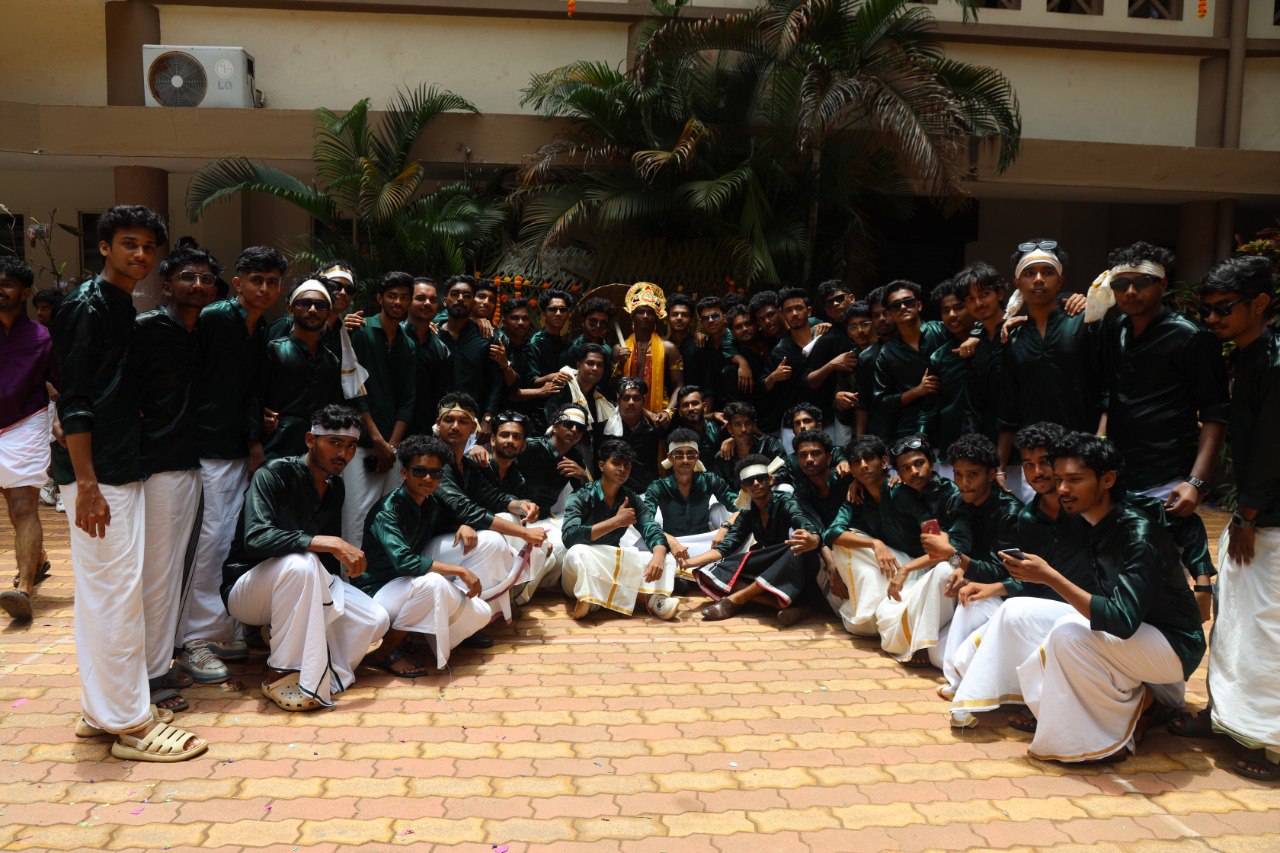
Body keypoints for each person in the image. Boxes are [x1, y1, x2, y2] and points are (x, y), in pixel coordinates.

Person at [51, 204, 206, 761]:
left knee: (110, 595)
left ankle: (103, 709)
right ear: (105, 247)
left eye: (148, 247)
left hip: (122, 468)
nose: (139, 254)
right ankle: (131, 725)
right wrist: (87, 484)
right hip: (100, 479)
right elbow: (73, 400)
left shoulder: (120, 305)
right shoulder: (85, 307)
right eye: (128, 244)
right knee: (115, 596)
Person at [1006, 432, 1205, 764]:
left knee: (1068, 634)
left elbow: (1121, 622)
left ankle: (1106, 741)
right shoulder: (1087, 520)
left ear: (1107, 480)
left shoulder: (1138, 534)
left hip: (1173, 647)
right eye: (1059, 479)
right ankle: (1139, 704)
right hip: (1138, 639)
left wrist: (1050, 577)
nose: (1062, 489)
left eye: (1074, 479)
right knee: (1033, 615)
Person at [221, 404, 390, 712]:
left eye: (351, 446)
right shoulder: (273, 473)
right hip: (247, 591)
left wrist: (338, 569)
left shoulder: (335, 486)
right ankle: (279, 674)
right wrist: (326, 542)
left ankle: (324, 672)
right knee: (302, 562)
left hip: (300, 583)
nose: (343, 454)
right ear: (311, 440)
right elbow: (256, 538)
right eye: (335, 443)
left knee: (375, 619)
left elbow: (326, 563)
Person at [1188, 255, 1280, 781]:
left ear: (1260, 303)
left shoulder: (1275, 361)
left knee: (1267, 630)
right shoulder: (1247, 356)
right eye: (1206, 310)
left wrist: (1246, 517)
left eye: (1223, 308)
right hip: (1254, 515)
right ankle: (1227, 718)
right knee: (1234, 623)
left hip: (1268, 520)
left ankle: (1273, 744)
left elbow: (1272, 447)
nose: (1212, 319)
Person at [1095, 243, 1229, 606]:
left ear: (1163, 284)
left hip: (1168, 477)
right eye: (1121, 284)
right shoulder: (1118, 328)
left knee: (1165, 581)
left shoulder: (1190, 336)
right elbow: (1111, 396)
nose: (1130, 291)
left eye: (1142, 282)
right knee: (1123, 575)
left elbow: (1216, 413)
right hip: (1122, 474)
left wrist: (1196, 482)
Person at [945, 421, 1097, 728]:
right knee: (967, 648)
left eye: (1045, 462)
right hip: (1043, 609)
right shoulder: (1029, 517)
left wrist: (956, 558)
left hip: (1093, 613)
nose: (1037, 472)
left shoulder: (1088, 509)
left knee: (1012, 612)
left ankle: (1026, 704)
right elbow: (1025, 577)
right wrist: (995, 587)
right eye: (1028, 464)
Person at [180, 245, 284, 683]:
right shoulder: (215, 317)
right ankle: (194, 639)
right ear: (238, 283)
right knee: (207, 542)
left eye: (272, 282)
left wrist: (257, 431)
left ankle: (224, 630)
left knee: (229, 539)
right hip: (207, 447)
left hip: (240, 448)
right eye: (256, 280)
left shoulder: (261, 328)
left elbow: (250, 388)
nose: (264, 289)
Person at [130, 246, 218, 711]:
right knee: (156, 573)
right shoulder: (146, 328)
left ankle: (159, 661)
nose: (198, 285)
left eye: (206, 278)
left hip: (189, 461)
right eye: (188, 277)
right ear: (167, 286)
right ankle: (146, 676)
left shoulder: (201, 332)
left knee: (176, 571)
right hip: (156, 466)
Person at [355, 434, 493, 676]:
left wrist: (461, 525)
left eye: (435, 473)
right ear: (404, 473)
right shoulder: (386, 511)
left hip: (406, 584)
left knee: (483, 613)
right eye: (420, 471)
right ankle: (385, 652)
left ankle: (415, 632)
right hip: (376, 591)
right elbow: (404, 561)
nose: (428, 478)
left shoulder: (430, 503)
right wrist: (460, 570)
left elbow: (447, 523)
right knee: (433, 584)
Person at [997, 240, 1103, 500]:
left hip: (1082, 451)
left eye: (1047, 272)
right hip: (1034, 460)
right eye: (1029, 273)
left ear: (1060, 281)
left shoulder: (1086, 321)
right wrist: (1000, 466)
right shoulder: (1014, 336)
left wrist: (1099, 444)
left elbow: (1107, 387)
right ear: (1018, 283)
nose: (1038, 279)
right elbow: (1008, 406)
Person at [432, 393, 547, 630]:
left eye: (463, 421)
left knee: (512, 529)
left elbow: (493, 496)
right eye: (449, 420)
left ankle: (479, 613)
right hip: (424, 548)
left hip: (450, 541)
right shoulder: (434, 460)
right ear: (438, 424)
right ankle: (465, 618)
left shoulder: (465, 465)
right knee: (493, 542)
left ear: (473, 428)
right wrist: (524, 533)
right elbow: (466, 509)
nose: (455, 426)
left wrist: (521, 505)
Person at [927, 433, 1024, 696]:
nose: (964, 483)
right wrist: (958, 564)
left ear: (992, 474)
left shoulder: (1010, 513)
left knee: (971, 601)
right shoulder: (959, 501)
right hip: (971, 592)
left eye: (973, 475)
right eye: (958, 475)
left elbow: (1000, 572)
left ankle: (958, 686)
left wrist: (954, 558)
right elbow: (959, 548)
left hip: (1003, 600)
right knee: (937, 654)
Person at [685, 454, 821, 625]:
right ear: (744, 487)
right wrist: (688, 563)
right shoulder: (747, 511)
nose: (756, 483)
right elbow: (726, 546)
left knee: (796, 547)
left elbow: (804, 522)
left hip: (792, 564)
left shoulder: (785, 501)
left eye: (761, 478)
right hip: (769, 563)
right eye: (750, 481)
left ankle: (737, 599)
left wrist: (813, 539)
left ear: (770, 480)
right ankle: (782, 604)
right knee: (706, 572)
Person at [874, 434, 972, 668]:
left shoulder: (951, 494)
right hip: (928, 566)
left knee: (945, 569)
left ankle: (924, 643)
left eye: (919, 463)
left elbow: (948, 552)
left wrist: (906, 568)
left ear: (932, 462)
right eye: (905, 468)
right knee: (885, 612)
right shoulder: (905, 490)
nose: (914, 472)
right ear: (898, 473)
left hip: (963, 565)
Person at [560, 439, 678, 620]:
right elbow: (569, 537)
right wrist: (615, 522)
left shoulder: (631, 499)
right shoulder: (580, 496)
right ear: (601, 466)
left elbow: (650, 527)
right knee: (578, 552)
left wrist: (659, 554)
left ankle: (597, 599)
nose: (622, 469)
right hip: (580, 569)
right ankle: (649, 600)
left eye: (627, 465)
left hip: (611, 561)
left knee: (667, 558)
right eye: (616, 463)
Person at [342, 271, 416, 549]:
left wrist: (391, 447)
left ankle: (378, 573)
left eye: (404, 297)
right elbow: (354, 389)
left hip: (391, 449)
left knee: (387, 520)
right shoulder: (360, 331)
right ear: (379, 298)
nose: (398, 302)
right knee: (356, 516)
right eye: (392, 296)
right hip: (361, 444)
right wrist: (376, 440)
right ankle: (350, 574)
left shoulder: (408, 343)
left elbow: (408, 399)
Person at [0, 257, 55, 621]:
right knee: (11, 502)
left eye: (7, 284)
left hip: (26, 422)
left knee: (23, 506)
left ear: (24, 292)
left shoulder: (40, 336)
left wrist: (64, 420)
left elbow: (58, 381)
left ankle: (24, 589)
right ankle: (38, 559)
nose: (0, 290)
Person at [820, 436, 914, 636]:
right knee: (844, 542)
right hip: (886, 566)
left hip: (914, 567)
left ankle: (865, 614)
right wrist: (874, 543)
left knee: (851, 543)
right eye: (856, 462)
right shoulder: (856, 496)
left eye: (869, 459)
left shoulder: (900, 489)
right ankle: (868, 613)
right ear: (852, 471)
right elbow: (832, 533)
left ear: (884, 462)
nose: (863, 466)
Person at [509, 403, 592, 603]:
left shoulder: (575, 457)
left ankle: (530, 590)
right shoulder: (530, 446)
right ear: (555, 426)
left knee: (573, 541)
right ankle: (516, 594)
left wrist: (583, 477)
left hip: (546, 518)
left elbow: (588, 498)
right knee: (548, 549)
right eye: (569, 424)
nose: (574, 430)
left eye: (580, 428)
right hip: (516, 515)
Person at [260, 280, 346, 460]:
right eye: (305, 303)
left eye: (320, 305)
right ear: (291, 310)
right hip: (274, 451)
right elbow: (253, 398)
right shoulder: (273, 351)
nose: (313, 310)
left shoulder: (331, 361)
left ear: (328, 313)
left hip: (316, 455)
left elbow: (332, 411)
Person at [644, 428, 740, 579]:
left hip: (707, 542)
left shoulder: (710, 480)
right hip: (673, 546)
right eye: (679, 455)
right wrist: (670, 540)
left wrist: (725, 527)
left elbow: (742, 507)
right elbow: (645, 521)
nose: (685, 460)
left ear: (697, 456)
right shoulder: (658, 486)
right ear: (669, 457)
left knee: (727, 517)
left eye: (690, 454)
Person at [872, 280, 951, 441]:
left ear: (919, 305)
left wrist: (974, 337)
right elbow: (882, 402)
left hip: (951, 418)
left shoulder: (942, 330)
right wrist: (917, 391)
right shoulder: (887, 353)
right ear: (890, 314)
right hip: (911, 428)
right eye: (896, 305)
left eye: (908, 302)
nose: (903, 307)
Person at [438, 276, 503, 444]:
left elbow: (495, 383)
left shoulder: (486, 337)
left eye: (467, 296)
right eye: (455, 294)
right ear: (444, 300)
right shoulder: (432, 334)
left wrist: (487, 418)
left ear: (473, 302)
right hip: (434, 419)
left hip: (472, 423)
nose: (460, 299)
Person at [921, 279, 974, 474]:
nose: (952, 315)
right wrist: (921, 436)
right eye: (945, 311)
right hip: (951, 449)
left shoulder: (994, 341)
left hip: (995, 447)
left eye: (958, 308)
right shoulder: (939, 357)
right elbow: (930, 406)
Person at [954, 263, 1008, 442]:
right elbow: (972, 406)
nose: (978, 303)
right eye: (970, 299)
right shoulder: (975, 347)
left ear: (999, 294)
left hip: (1028, 442)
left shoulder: (1020, 333)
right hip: (988, 441)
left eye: (984, 294)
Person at [497, 297, 565, 433]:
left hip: (525, 415)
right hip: (501, 417)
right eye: (515, 318)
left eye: (525, 318)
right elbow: (505, 394)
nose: (521, 322)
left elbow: (528, 381)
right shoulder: (499, 346)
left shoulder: (526, 347)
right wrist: (541, 391)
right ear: (504, 322)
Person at [619, 282, 682, 417]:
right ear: (632, 316)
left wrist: (668, 412)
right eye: (640, 311)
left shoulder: (669, 349)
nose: (645, 316)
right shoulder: (619, 349)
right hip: (626, 415)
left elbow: (679, 385)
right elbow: (612, 388)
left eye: (650, 312)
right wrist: (619, 363)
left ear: (656, 318)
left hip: (658, 414)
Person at [267, 260, 357, 353]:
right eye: (336, 286)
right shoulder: (288, 323)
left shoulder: (345, 329)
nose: (343, 293)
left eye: (349, 289)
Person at [718, 307, 781, 435]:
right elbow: (736, 407)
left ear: (756, 324)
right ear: (732, 332)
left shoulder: (771, 342)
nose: (745, 329)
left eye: (748, 323)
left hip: (786, 418)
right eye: (738, 327)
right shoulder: (733, 369)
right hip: (761, 429)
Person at [404, 277, 455, 436]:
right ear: (408, 301)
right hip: (386, 427)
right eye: (420, 298)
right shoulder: (392, 336)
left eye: (433, 300)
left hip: (423, 432)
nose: (427, 303)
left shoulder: (442, 350)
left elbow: (441, 398)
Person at [769, 288, 819, 452]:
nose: (794, 314)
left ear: (809, 311)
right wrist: (773, 377)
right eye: (789, 310)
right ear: (782, 314)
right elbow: (766, 389)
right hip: (794, 423)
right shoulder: (779, 351)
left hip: (827, 417)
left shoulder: (824, 339)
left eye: (799, 308)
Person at [543, 343, 616, 447]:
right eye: (590, 363)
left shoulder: (598, 396)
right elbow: (552, 427)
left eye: (600, 365)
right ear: (578, 366)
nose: (595, 368)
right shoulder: (561, 387)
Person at [855, 286, 899, 443]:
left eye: (886, 313)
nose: (881, 319)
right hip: (882, 432)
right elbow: (863, 403)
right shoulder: (867, 357)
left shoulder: (915, 344)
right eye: (876, 315)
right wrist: (859, 441)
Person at [711, 401, 786, 491]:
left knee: (785, 488)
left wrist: (769, 479)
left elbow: (784, 470)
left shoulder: (770, 444)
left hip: (769, 492)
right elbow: (722, 488)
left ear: (754, 425)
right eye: (738, 424)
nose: (743, 429)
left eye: (748, 423)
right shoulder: (722, 457)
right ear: (730, 428)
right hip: (739, 497)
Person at [607, 377, 663, 492]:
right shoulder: (607, 428)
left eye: (636, 398)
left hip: (648, 492)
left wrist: (667, 412)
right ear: (618, 401)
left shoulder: (654, 426)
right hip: (615, 492)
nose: (631, 402)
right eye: (626, 398)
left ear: (643, 401)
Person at [789, 429, 852, 530]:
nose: (809, 459)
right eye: (803, 455)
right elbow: (816, 530)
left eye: (815, 453)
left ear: (828, 457)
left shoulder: (846, 479)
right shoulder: (801, 494)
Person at [668, 386, 722, 463]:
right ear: (680, 412)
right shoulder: (677, 438)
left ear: (704, 407)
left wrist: (732, 440)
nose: (691, 408)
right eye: (685, 405)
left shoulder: (716, 429)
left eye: (695, 403)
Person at [530, 287, 575, 376]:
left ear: (567, 315)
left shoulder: (563, 342)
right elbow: (531, 379)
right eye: (553, 309)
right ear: (543, 315)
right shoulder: (536, 343)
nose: (558, 313)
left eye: (563, 310)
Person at [566, 296, 620, 369]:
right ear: (583, 321)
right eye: (593, 321)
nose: (598, 326)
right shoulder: (573, 348)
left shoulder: (607, 349)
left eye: (603, 323)